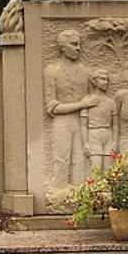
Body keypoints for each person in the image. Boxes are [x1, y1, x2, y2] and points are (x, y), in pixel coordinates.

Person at [43, 30, 98, 186]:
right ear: (62, 47)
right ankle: (59, 191)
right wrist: (81, 105)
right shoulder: (51, 72)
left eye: (79, 44)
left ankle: (80, 193)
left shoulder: (87, 73)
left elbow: (92, 101)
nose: (78, 48)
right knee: (61, 158)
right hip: (62, 122)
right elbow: (52, 107)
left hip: (82, 122)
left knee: (80, 160)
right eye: (73, 44)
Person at [80, 69, 117, 172]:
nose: (106, 82)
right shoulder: (87, 101)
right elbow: (83, 125)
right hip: (93, 135)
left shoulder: (111, 102)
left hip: (108, 135)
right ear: (94, 81)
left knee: (108, 170)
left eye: (107, 80)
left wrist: (115, 142)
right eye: (102, 79)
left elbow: (115, 125)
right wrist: (85, 143)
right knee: (95, 170)